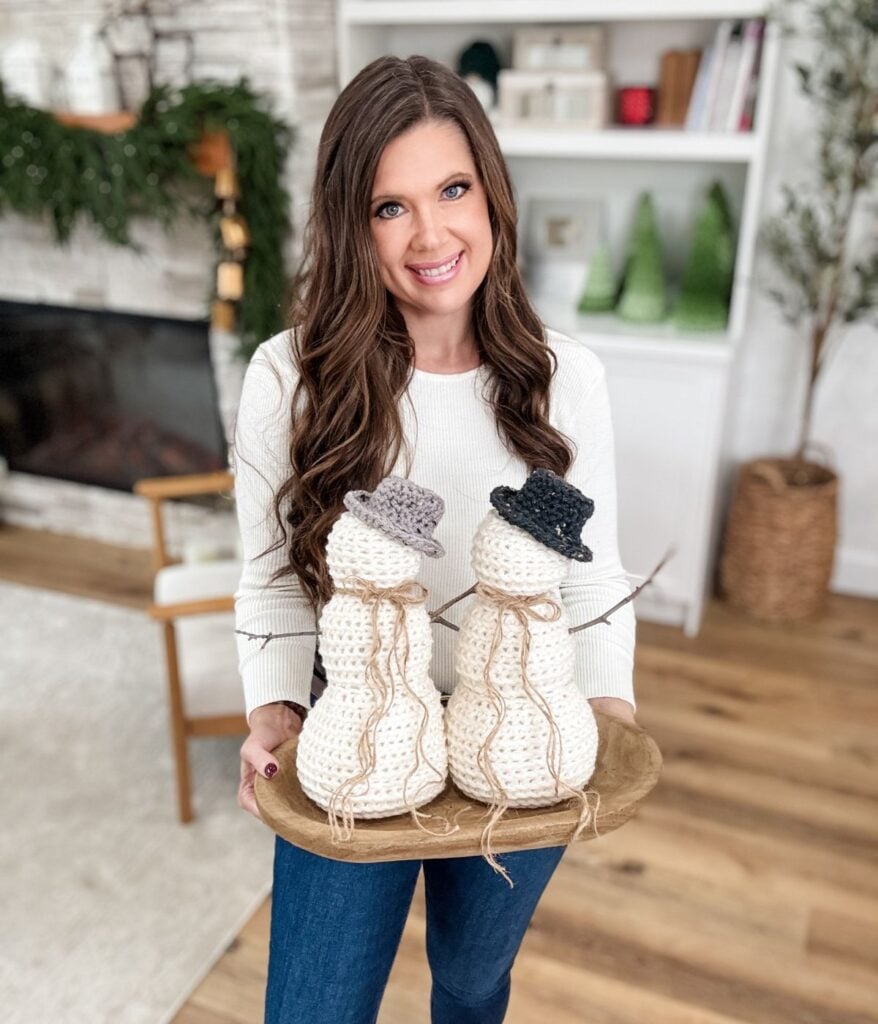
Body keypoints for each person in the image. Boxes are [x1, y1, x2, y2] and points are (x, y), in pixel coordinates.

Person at [231, 54, 637, 1024]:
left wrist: (607, 715)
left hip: (525, 724)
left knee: (467, 982)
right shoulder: (287, 375)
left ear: (489, 191)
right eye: (388, 207)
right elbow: (270, 578)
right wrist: (276, 707)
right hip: (357, 724)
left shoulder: (563, 375)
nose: (429, 235)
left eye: (451, 189)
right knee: (312, 1009)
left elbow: (590, 581)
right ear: (347, 221)